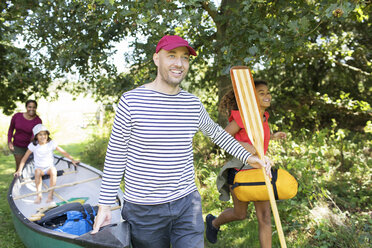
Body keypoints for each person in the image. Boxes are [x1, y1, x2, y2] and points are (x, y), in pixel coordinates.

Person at [91, 35, 270, 248]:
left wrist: (249, 157)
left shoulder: (191, 103)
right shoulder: (131, 101)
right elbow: (116, 154)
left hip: (187, 203)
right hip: (144, 208)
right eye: (172, 56)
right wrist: (105, 204)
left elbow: (217, 134)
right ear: (157, 59)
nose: (179, 63)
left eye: (185, 58)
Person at [205, 80, 286, 247]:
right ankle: (213, 223)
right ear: (251, 97)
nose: (267, 96)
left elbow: (257, 137)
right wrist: (245, 146)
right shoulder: (244, 116)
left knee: (264, 216)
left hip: (259, 168)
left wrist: (274, 136)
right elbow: (223, 136)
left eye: (268, 92)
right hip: (240, 169)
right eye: (261, 93)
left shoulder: (264, 117)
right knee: (240, 213)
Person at [14, 124, 79, 204]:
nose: (43, 136)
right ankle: (39, 195)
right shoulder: (34, 145)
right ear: (36, 136)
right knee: (37, 172)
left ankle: (50, 194)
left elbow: (62, 152)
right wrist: (19, 170)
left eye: (45, 134)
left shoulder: (51, 143)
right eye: (40, 135)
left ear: (47, 135)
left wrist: (72, 160)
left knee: (53, 171)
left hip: (49, 167)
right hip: (39, 168)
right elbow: (24, 158)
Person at [8, 100, 42, 171]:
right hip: (18, 146)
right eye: (29, 107)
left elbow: (35, 135)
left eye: (34, 107)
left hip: (30, 147)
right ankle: (17, 181)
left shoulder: (38, 120)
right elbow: (11, 129)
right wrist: (9, 141)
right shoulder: (17, 116)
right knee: (19, 168)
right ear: (26, 107)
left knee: (30, 168)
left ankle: (30, 182)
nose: (31, 109)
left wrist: (33, 141)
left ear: (36, 108)